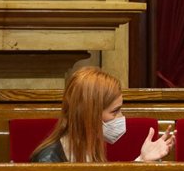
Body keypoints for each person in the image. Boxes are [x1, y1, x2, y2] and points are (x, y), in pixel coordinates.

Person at [31, 67, 174, 162]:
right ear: (89, 115)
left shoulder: (89, 146)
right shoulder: (48, 160)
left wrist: (143, 160)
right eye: (114, 112)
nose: (121, 118)